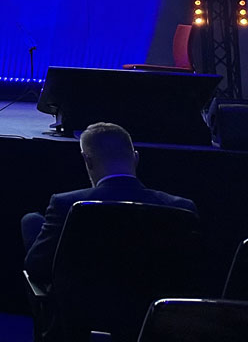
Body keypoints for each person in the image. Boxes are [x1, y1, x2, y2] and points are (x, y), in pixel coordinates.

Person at [22, 122, 198, 285]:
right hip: (153, 304)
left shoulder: (66, 204)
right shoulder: (181, 207)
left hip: (83, 305)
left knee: (31, 221)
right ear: (136, 158)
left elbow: (37, 268)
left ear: (87, 160)